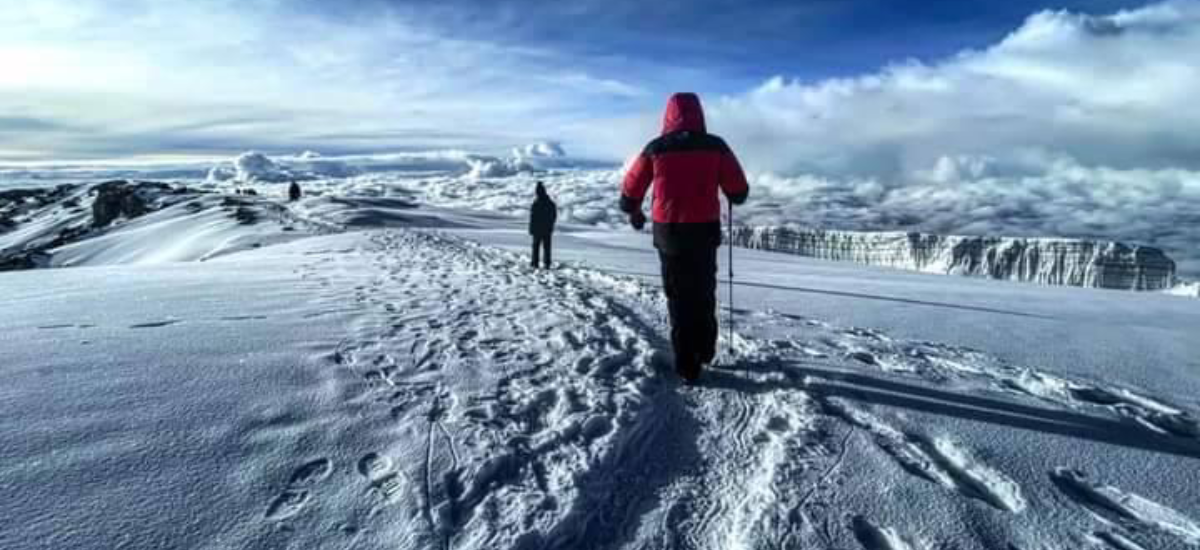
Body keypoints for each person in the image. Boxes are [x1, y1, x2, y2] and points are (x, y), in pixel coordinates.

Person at [619, 92, 749, 383]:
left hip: (670, 234)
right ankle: (705, 349)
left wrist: (633, 210)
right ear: (699, 113)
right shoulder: (716, 146)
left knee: (678, 297)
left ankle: (687, 365)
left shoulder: (656, 148)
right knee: (703, 291)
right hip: (704, 232)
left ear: (667, 116)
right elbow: (739, 191)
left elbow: (630, 191)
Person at [529, 181, 558, 269]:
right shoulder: (550, 203)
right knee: (547, 247)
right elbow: (554, 216)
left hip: (537, 229)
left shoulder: (536, 203)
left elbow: (533, 218)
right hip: (547, 229)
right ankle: (547, 263)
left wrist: (531, 229)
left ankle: (535, 263)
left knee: (536, 246)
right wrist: (550, 225)